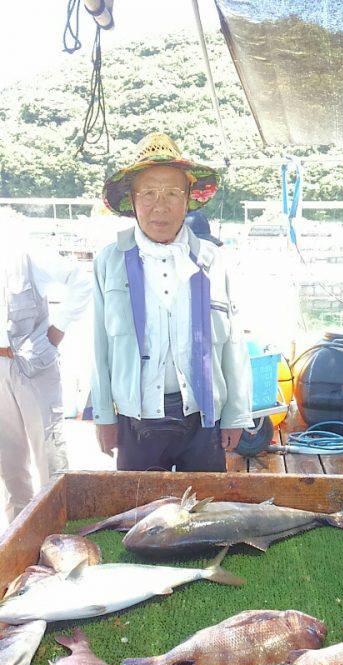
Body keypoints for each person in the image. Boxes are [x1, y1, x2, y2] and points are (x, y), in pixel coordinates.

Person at [92, 132, 253, 472]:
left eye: (172, 193)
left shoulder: (214, 260)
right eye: (148, 193)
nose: (159, 206)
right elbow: (98, 346)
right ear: (133, 200)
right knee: (140, 513)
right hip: (135, 421)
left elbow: (234, 343)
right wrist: (104, 415)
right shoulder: (109, 262)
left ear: (188, 200)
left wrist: (235, 414)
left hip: (202, 418)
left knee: (206, 514)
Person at [0, 223, 91, 522]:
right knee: (9, 462)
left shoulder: (24, 253)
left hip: (34, 364)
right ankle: (17, 538)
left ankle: (59, 531)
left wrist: (56, 331)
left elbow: (80, 281)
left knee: (50, 456)